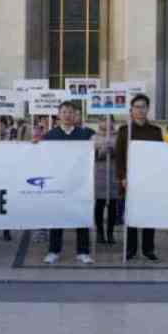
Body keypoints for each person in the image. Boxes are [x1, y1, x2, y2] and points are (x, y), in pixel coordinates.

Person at [37, 101, 95, 265]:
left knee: (81, 216)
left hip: (79, 183)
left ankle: (83, 252)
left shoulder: (84, 135)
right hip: (58, 183)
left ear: (75, 115)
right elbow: (43, 157)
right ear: (58, 115)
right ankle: (54, 251)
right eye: (64, 112)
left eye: (71, 112)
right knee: (57, 217)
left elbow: (96, 147)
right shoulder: (50, 135)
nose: (67, 115)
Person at [116, 94, 163, 261]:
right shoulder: (124, 131)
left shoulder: (156, 132)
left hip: (150, 180)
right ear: (131, 110)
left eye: (143, 106)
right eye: (136, 107)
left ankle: (148, 248)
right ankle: (131, 248)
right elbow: (119, 157)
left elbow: (160, 156)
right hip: (130, 180)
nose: (140, 110)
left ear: (148, 109)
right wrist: (122, 177)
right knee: (131, 214)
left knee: (149, 215)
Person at [93, 116, 119, 245]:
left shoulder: (119, 136)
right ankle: (99, 232)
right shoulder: (94, 137)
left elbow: (124, 153)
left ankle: (110, 232)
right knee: (99, 205)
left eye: (110, 120)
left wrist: (114, 150)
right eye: (103, 120)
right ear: (99, 122)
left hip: (114, 175)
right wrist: (102, 151)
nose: (107, 123)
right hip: (99, 176)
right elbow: (89, 155)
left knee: (113, 206)